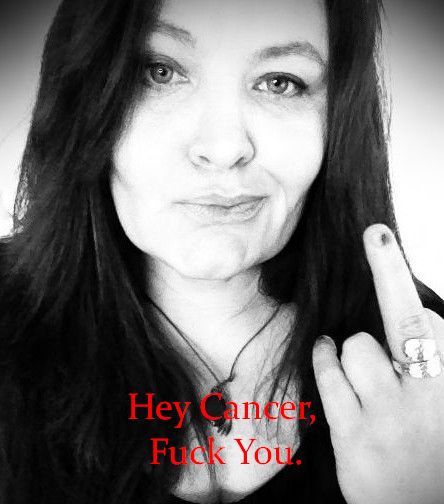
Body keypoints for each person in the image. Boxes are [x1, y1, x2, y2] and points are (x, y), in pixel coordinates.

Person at [0, 0, 443, 503]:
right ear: (84, 98)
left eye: (280, 82)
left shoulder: (427, 354)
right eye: (159, 72)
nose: (225, 147)